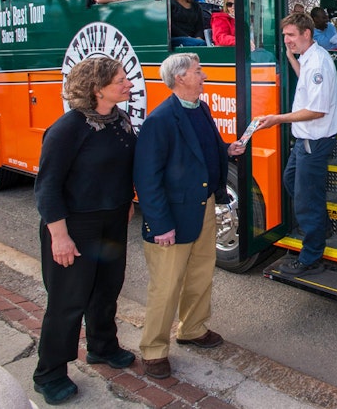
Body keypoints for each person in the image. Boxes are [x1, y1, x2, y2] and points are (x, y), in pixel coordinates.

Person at [32, 57, 137, 405]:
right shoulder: (68, 128)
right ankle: (50, 373)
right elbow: (47, 187)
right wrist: (59, 236)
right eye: (120, 80)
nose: (128, 83)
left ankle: (103, 346)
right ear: (97, 88)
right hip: (75, 226)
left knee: (107, 288)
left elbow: (121, 169)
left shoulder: (120, 120)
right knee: (67, 301)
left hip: (112, 220)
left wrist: (126, 202)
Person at [133, 53, 245, 380]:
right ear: (180, 78)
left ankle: (192, 328)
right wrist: (161, 225)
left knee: (199, 275)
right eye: (198, 71)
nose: (204, 76)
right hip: (173, 216)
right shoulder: (161, 120)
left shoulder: (200, 108)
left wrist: (227, 150)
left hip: (203, 205)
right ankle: (153, 351)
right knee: (166, 287)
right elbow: (147, 178)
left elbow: (202, 149)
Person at [254, 13, 337, 276]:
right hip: (304, 140)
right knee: (291, 180)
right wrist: (292, 57)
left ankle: (310, 258)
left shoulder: (317, 63)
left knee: (307, 200)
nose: (286, 40)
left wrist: (277, 119)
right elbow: (304, 77)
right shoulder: (310, 58)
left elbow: (316, 110)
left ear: (307, 33)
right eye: (284, 36)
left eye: (291, 35)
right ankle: (322, 226)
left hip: (312, 142)